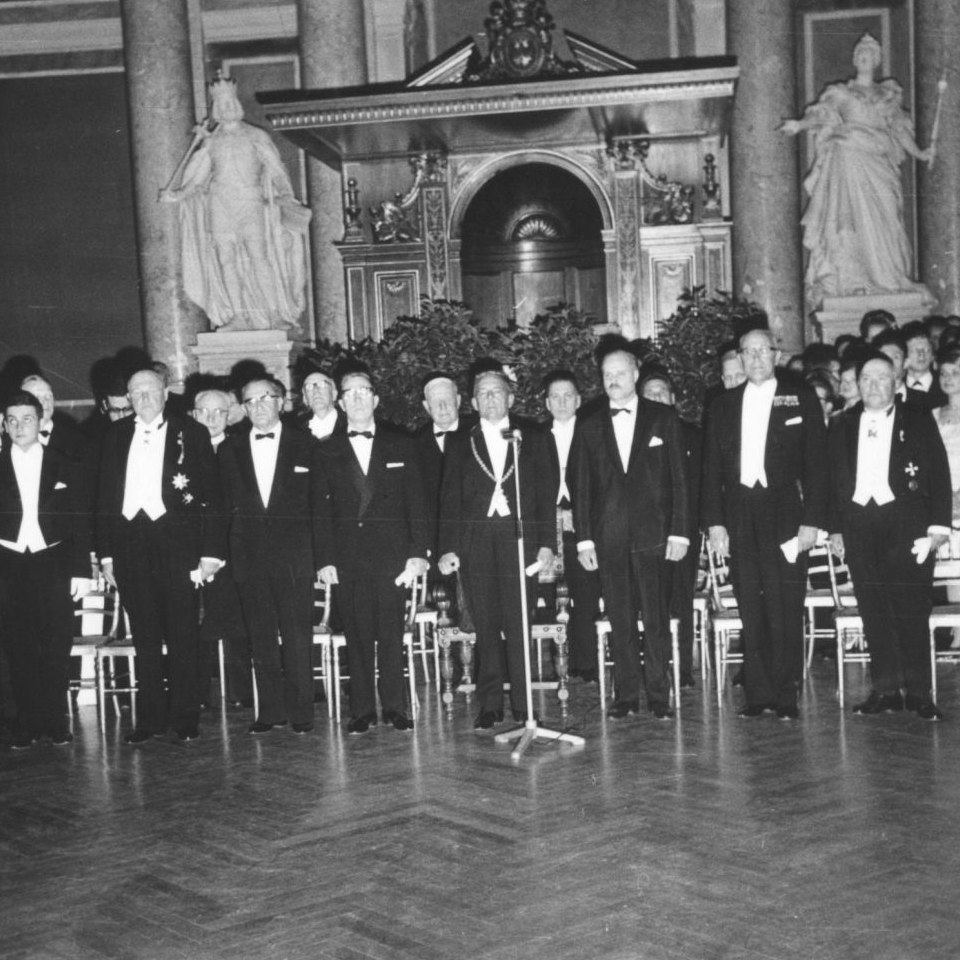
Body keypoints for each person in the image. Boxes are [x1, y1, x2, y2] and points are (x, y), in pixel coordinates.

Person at [702, 329, 828, 720]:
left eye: (763, 351)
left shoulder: (800, 397)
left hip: (786, 511)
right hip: (739, 512)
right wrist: (715, 523)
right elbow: (710, 470)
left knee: (785, 601)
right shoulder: (722, 405)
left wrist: (812, 521)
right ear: (739, 357)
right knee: (750, 602)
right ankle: (757, 693)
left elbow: (818, 465)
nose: (756, 358)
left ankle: (786, 692)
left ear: (777, 354)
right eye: (748, 352)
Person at [96, 368, 224, 743]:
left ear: (166, 394)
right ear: (128, 398)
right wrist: (106, 555)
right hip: (130, 546)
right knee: (145, 636)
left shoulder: (192, 432)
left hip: (178, 546)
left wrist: (211, 553)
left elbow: (213, 497)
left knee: (183, 633)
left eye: (151, 391)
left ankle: (185, 716)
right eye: (136, 393)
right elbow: (104, 498)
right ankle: (150, 717)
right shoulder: (115, 435)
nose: (144, 398)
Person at [828, 352, 951, 720]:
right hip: (859, 526)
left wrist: (938, 528)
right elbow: (832, 479)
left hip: (907, 526)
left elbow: (939, 473)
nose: (873, 385)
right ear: (857, 384)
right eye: (866, 379)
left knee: (911, 610)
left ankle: (919, 692)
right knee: (874, 610)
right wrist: (835, 527)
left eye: (881, 378)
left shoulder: (917, 418)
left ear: (896, 382)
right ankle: (885, 690)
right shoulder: (842, 423)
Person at [572, 350, 690, 720]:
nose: (613, 380)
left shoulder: (664, 418)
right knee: (620, 617)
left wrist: (680, 533)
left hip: (655, 535)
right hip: (608, 537)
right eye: (607, 374)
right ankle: (625, 694)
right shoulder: (589, 423)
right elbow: (581, 486)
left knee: (655, 617)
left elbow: (680, 480)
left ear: (636, 374)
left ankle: (658, 694)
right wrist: (584, 539)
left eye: (620, 373)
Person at [438, 369, 554, 728]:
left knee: (519, 622)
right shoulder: (459, 441)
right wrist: (448, 548)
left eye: (497, 392)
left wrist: (547, 544)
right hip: (476, 544)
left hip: (519, 542)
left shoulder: (533, 436)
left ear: (510, 398)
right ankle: (490, 704)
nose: (490, 398)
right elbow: (449, 498)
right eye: (483, 393)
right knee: (485, 623)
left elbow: (545, 495)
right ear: (473, 402)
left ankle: (523, 703)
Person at [317, 369, 430, 734]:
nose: (357, 399)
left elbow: (418, 504)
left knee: (391, 633)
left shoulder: (402, 444)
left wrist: (417, 552)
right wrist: (325, 559)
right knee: (357, 634)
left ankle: (395, 706)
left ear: (376, 399)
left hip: (393, 558)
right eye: (349, 393)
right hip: (348, 558)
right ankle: (362, 710)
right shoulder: (326, 450)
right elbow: (320, 511)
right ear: (340, 403)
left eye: (364, 391)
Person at [781, 33, 932, 303]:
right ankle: (853, 279)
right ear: (854, 58)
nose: (864, 56)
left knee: (887, 217)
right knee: (847, 217)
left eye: (870, 53)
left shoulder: (888, 95)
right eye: (860, 52)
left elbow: (898, 129)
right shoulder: (842, 93)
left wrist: (920, 153)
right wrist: (800, 124)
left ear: (877, 60)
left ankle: (891, 277)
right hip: (848, 158)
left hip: (878, 163)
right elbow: (821, 114)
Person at [160, 73, 311, 331]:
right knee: (226, 260)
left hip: (250, 201)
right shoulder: (212, 141)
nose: (227, 107)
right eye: (222, 104)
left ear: (237, 104)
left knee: (258, 257)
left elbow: (276, 170)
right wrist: (178, 195)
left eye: (230, 102)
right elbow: (197, 178)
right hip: (220, 203)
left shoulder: (255, 136)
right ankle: (238, 317)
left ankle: (274, 315)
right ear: (216, 108)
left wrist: (286, 194)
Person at [217, 377, 323, 734]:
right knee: (260, 637)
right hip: (249, 557)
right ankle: (270, 711)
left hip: (295, 557)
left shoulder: (306, 444)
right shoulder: (229, 450)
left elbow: (318, 504)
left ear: (281, 402)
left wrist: (319, 556)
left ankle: (302, 712)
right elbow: (222, 507)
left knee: (297, 636)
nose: (258, 406)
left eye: (265, 398)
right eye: (250, 401)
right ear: (243, 408)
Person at [0, 391, 91, 749]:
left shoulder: (66, 463)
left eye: (26, 419)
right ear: (4, 424)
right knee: (18, 645)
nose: (19, 426)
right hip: (8, 563)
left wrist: (81, 571)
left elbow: (80, 521)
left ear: (40, 421)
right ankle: (27, 723)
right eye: (12, 420)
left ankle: (55, 721)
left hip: (54, 561)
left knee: (56, 644)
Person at [638, 365, 701, 689]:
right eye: (649, 394)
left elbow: (697, 486)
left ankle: (684, 667)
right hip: (646, 534)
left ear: (673, 398)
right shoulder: (634, 436)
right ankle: (656, 667)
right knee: (652, 603)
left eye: (661, 392)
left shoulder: (692, 434)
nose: (656, 398)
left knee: (681, 599)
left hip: (683, 531)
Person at [190, 388, 254, 709]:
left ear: (229, 417)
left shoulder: (241, 449)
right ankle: (199, 693)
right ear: (193, 415)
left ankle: (241, 691)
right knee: (195, 623)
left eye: (219, 412)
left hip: (233, 549)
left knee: (236, 621)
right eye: (204, 412)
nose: (211, 419)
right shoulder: (180, 448)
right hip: (192, 548)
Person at [540, 370, 601, 683]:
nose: (562, 402)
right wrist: (554, 515)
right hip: (549, 528)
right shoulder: (536, 437)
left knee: (586, 593)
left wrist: (579, 513)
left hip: (584, 527)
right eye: (556, 397)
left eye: (568, 396)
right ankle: (560, 659)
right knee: (553, 596)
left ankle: (586, 662)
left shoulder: (594, 432)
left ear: (578, 400)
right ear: (547, 403)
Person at [932, 345, 960, 648]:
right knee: (952, 567)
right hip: (944, 500)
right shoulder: (933, 415)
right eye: (944, 373)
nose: (948, 378)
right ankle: (956, 633)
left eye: (956, 372)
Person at [21, 374, 87, 463]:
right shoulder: (9, 439)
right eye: (37, 397)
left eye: (49, 396)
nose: (45, 401)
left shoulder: (75, 440)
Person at [873, 328, 939, 411]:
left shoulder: (928, 402)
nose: (890, 362)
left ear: (905, 362)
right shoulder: (869, 399)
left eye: (896, 357)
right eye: (885, 357)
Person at [902, 320, 945, 405]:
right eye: (915, 350)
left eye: (926, 349)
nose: (921, 355)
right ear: (904, 354)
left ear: (932, 354)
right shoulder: (896, 386)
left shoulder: (944, 385)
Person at [296, 370, 345, 442]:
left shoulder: (349, 424)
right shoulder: (295, 430)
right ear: (305, 399)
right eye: (309, 387)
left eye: (322, 385)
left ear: (334, 393)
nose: (316, 391)